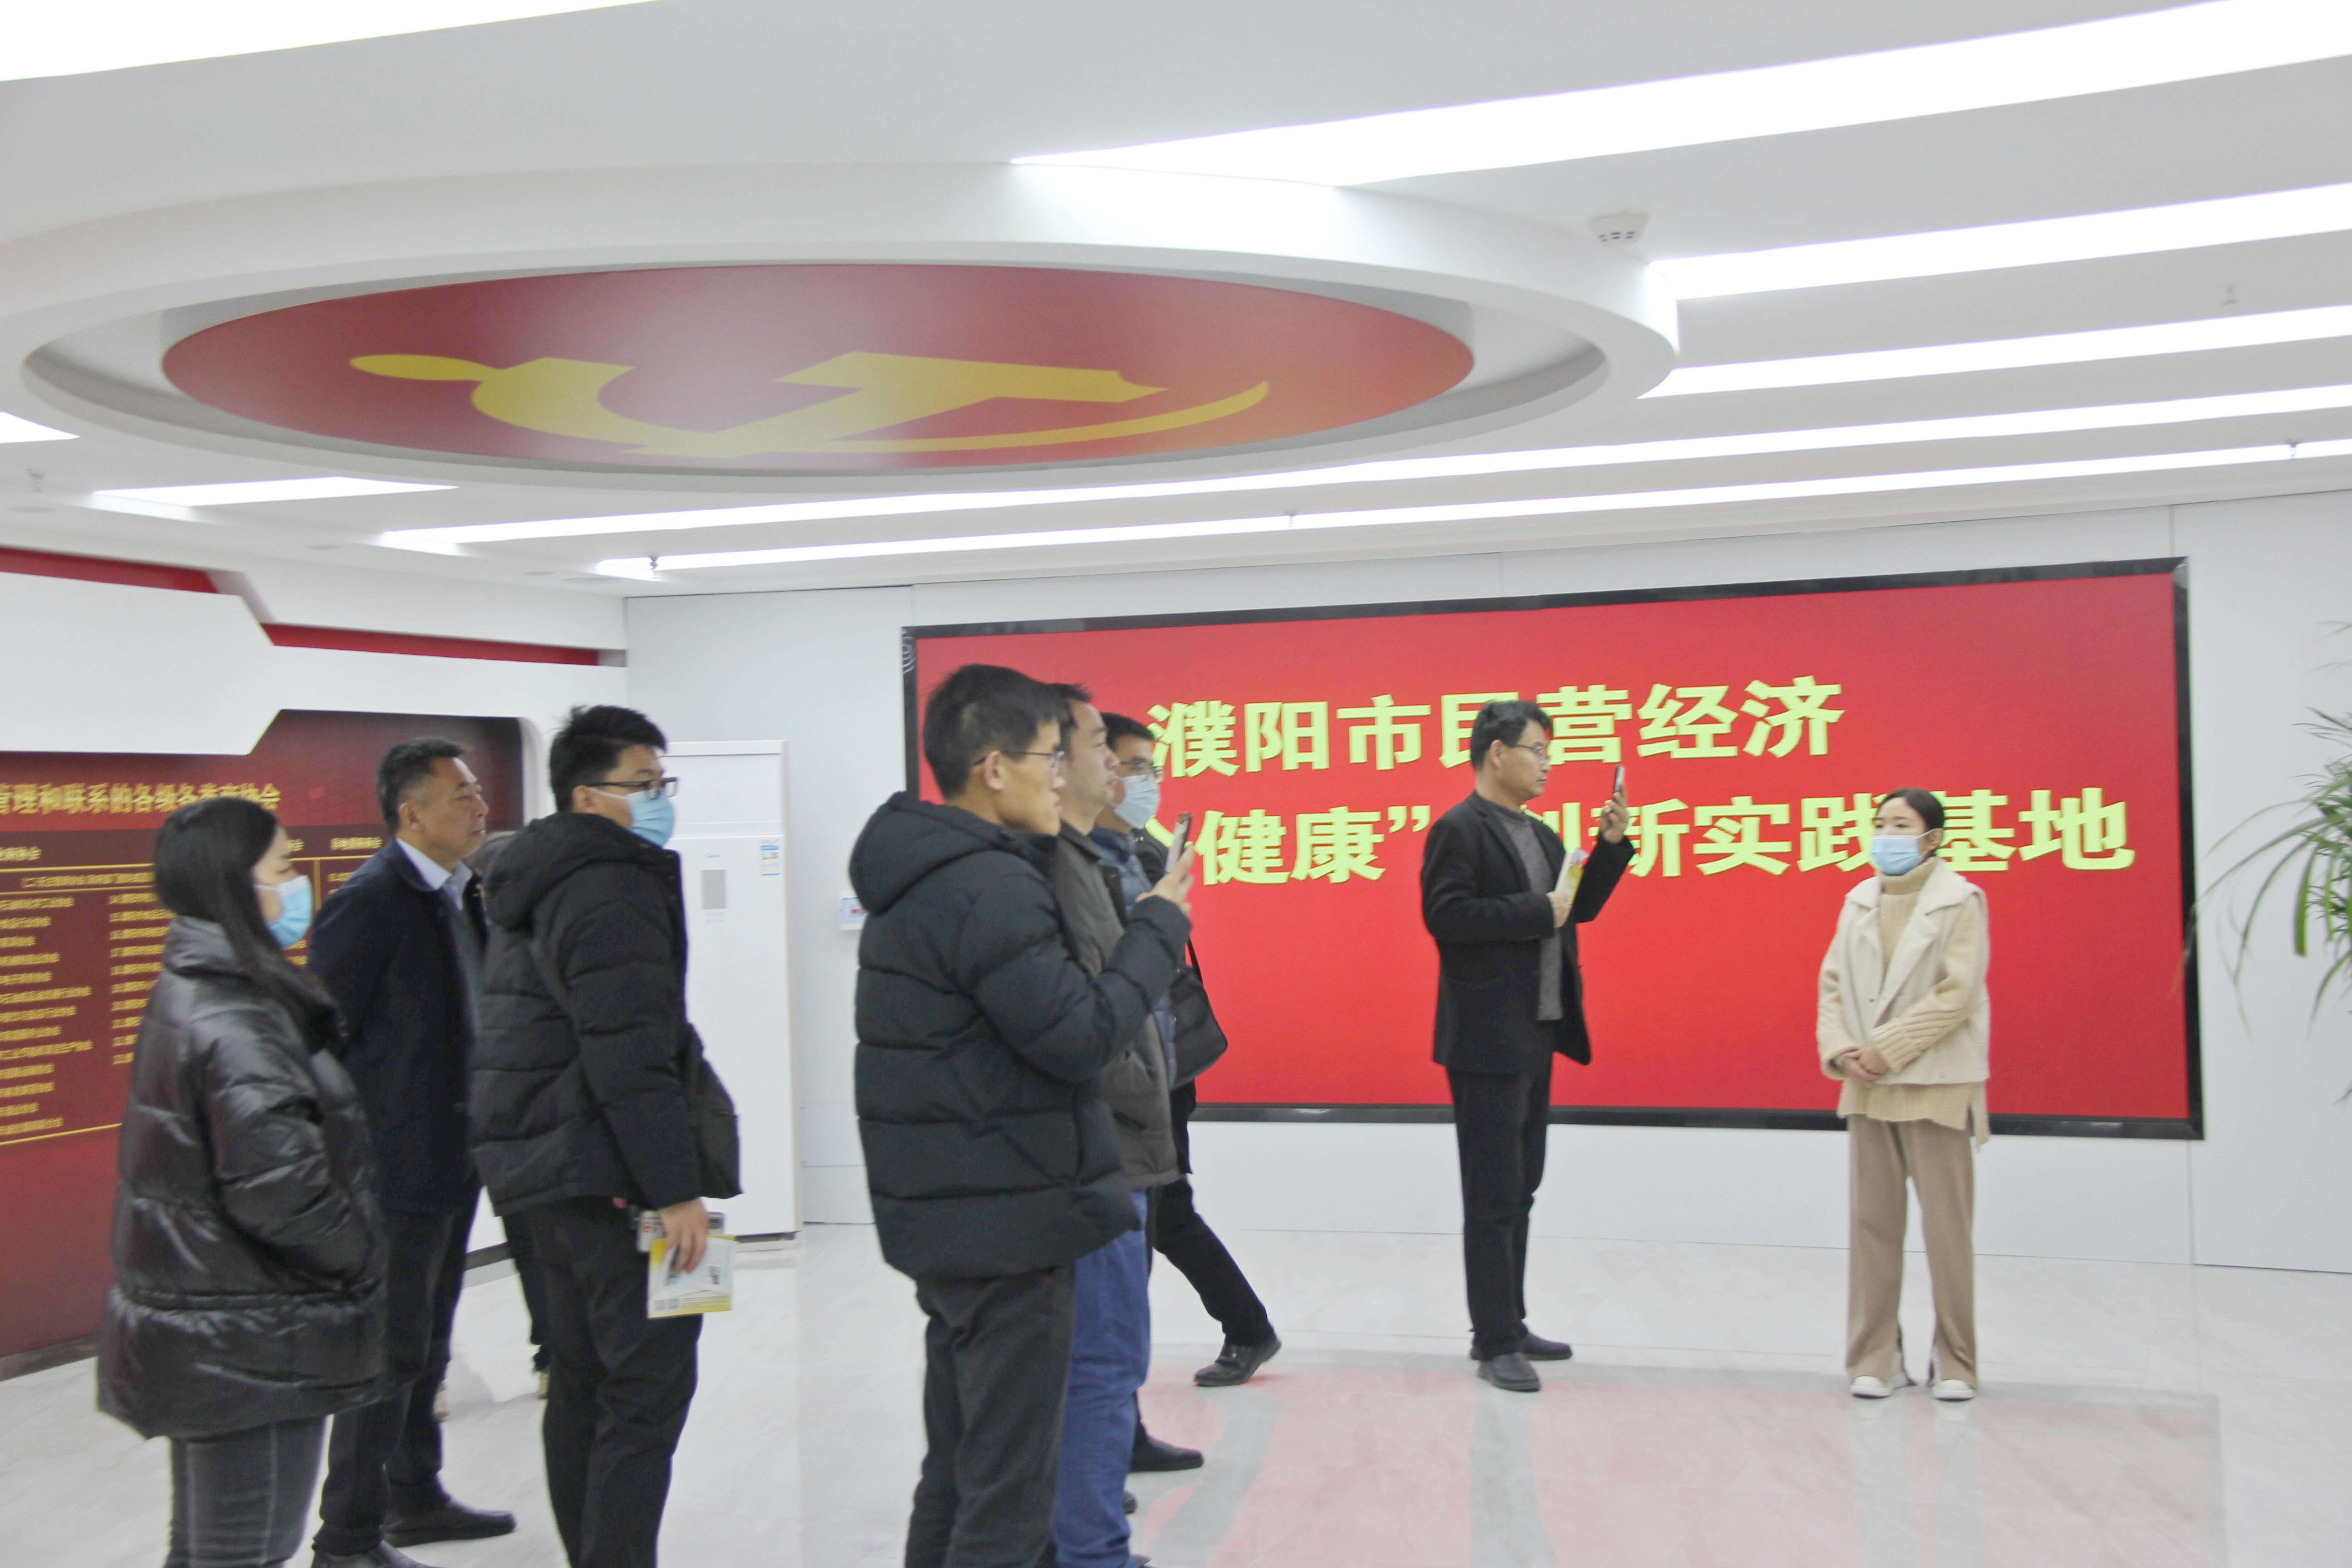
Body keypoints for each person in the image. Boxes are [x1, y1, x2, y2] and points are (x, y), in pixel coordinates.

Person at [851, 663, 1193, 1568]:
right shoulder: (990, 885)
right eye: (1053, 756)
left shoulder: (924, 872)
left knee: (960, 1469)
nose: (1065, 775)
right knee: (1009, 1491)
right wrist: (1158, 928)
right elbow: (1077, 1036)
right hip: (1008, 1221)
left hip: (956, 1216)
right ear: (994, 768)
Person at [100, 797, 387, 1568]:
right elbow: (280, 1192)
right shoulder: (238, 1014)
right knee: (247, 1549)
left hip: (217, 1321)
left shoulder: (197, 986)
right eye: (284, 867)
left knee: (208, 1548)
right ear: (234, 883)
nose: (299, 886)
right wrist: (361, 1255)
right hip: (257, 1335)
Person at [471, 705, 714, 1568]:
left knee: (580, 1382)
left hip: (545, 1171)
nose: (659, 800)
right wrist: (674, 1190)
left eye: (663, 783)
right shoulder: (612, 886)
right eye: (642, 785)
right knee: (647, 1386)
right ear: (585, 795)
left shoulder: (533, 877)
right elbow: (630, 1055)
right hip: (609, 1174)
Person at [307, 740, 514, 1568]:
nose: (480, 808)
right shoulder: (370, 903)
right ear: (411, 813)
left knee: (428, 1342)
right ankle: (346, 1538)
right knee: (387, 1355)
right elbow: (323, 1043)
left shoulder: (462, 893)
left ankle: (415, 1496)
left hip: (454, 1158)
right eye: (462, 795)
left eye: (478, 792)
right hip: (392, 1170)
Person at [1420, 700, 1632, 1394]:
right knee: (1492, 1194)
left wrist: (1609, 847)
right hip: (1485, 1040)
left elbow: (1576, 909)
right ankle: (1494, 1341)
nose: (1547, 764)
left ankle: (1510, 1320)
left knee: (1523, 1187)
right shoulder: (1459, 829)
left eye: (1548, 752)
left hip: (1538, 1031)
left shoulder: (1540, 833)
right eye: (1537, 750)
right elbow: (1445, 916)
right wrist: (1537, 910)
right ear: (1496, 753)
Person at [1098, 710, 1279, 1401]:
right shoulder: (1113, 852)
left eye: (1152, 768)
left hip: (1155, 1065)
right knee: (1165, 1212)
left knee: (1160, 1213)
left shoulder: (1138, 855)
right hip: (1142, 1062)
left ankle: (1241, 1330)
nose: (1149, 781)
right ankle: (1246, 1327)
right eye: (1137, 766)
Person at [1046, 687, 1186, 1568]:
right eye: (1104, 747)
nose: (1121, 769)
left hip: (1132, 1123)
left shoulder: (1111, 854)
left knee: (1107, 1356)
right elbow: (1094, 1018)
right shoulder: (1052, 872)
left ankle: (1083, 1528)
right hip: (1102, 1141)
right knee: (1100, 1360)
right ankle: (1092, 1548)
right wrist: (1162, 921)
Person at [1818, 788, 1991, 1403]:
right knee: (1872, 1228)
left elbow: (1958, 993)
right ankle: (1876, 1357)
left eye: (1901, 824)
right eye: (1881, 823)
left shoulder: (1961, 900)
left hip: (1936, 1084)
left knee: (1947, 1234)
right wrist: (1843, 1050)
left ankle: (1957, 1361)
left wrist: (1887, 1049)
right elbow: (1831, 986)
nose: (1887, 835)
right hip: (1868, 1088)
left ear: (1932, 838)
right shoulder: (1858, 901)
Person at [470, 828, 557, 1401]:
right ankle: (554, 1356)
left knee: (533, 1246)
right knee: (538, 1247)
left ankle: (553, 1355)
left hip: (509, 1117)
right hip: (509, 1117)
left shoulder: (527, 937)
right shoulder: (469, 932)